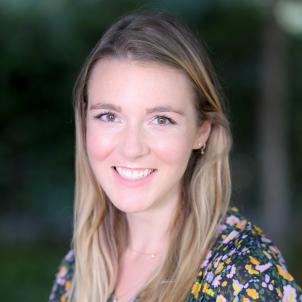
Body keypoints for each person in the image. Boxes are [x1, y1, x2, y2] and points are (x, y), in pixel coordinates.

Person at [49, 11, 302, 302]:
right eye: (109, 116)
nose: (132, 148)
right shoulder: (79, 265)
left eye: (161, 120)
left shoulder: (243, 274)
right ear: (84, 122)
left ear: (201, 132)